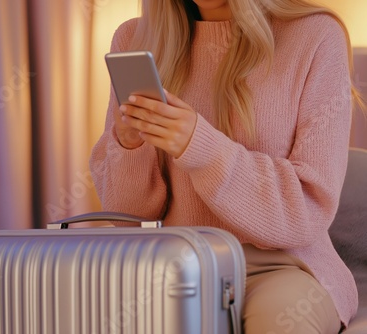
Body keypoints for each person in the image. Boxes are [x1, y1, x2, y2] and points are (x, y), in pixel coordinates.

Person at [90, 0, 365, 332]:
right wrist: (129, 145)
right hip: (177, 268)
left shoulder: (316, 34)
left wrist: (200, 147)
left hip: (285, 267)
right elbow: (130, 220)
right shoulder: (135, 39)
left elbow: (307, 208)